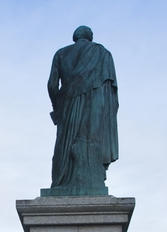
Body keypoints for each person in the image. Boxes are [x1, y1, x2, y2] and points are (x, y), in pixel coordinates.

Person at [47, 25, 119, 195]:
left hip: (66, 106)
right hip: (94, 107)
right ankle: (91, 178)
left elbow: (51, 85)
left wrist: (56, 107)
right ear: (90, 37)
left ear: (75, 37)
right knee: (89, 141)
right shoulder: (103, 54)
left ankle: (61, 181)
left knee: (64, 145)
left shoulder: (61, 53)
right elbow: (110, 91)